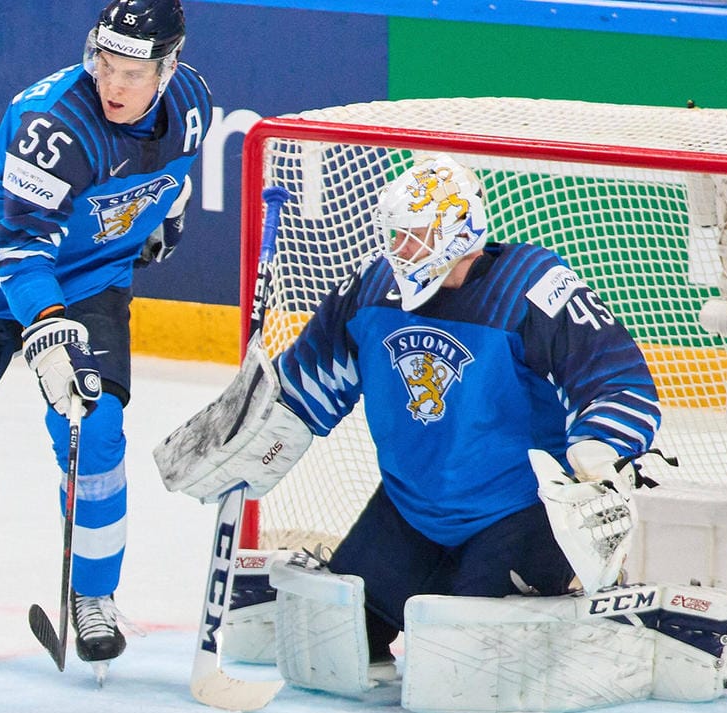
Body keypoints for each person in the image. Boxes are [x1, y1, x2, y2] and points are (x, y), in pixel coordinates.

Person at [158, 153, 662, 676]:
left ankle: (575, 610)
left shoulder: (534, 288)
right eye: (396, 235)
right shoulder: (373, 289)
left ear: (458, 232)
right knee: (336, 650)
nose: (400, 250)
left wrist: (600, 447)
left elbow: (618, 382)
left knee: (457, 665)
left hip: (519, 512)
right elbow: (304, 385)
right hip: (411, 507)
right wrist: (245, 434)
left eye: (415, 236)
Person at [0, 0, 213, 680]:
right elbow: (19, 246)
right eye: (104, 65)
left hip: (87, 279)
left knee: (95, 430)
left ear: (168, 68)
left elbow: (172, 171)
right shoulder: (54, 125)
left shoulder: (194, 104)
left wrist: (162, 215)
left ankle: (92, 594)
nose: (113, 86)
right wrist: (48, 330)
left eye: (132, 72)